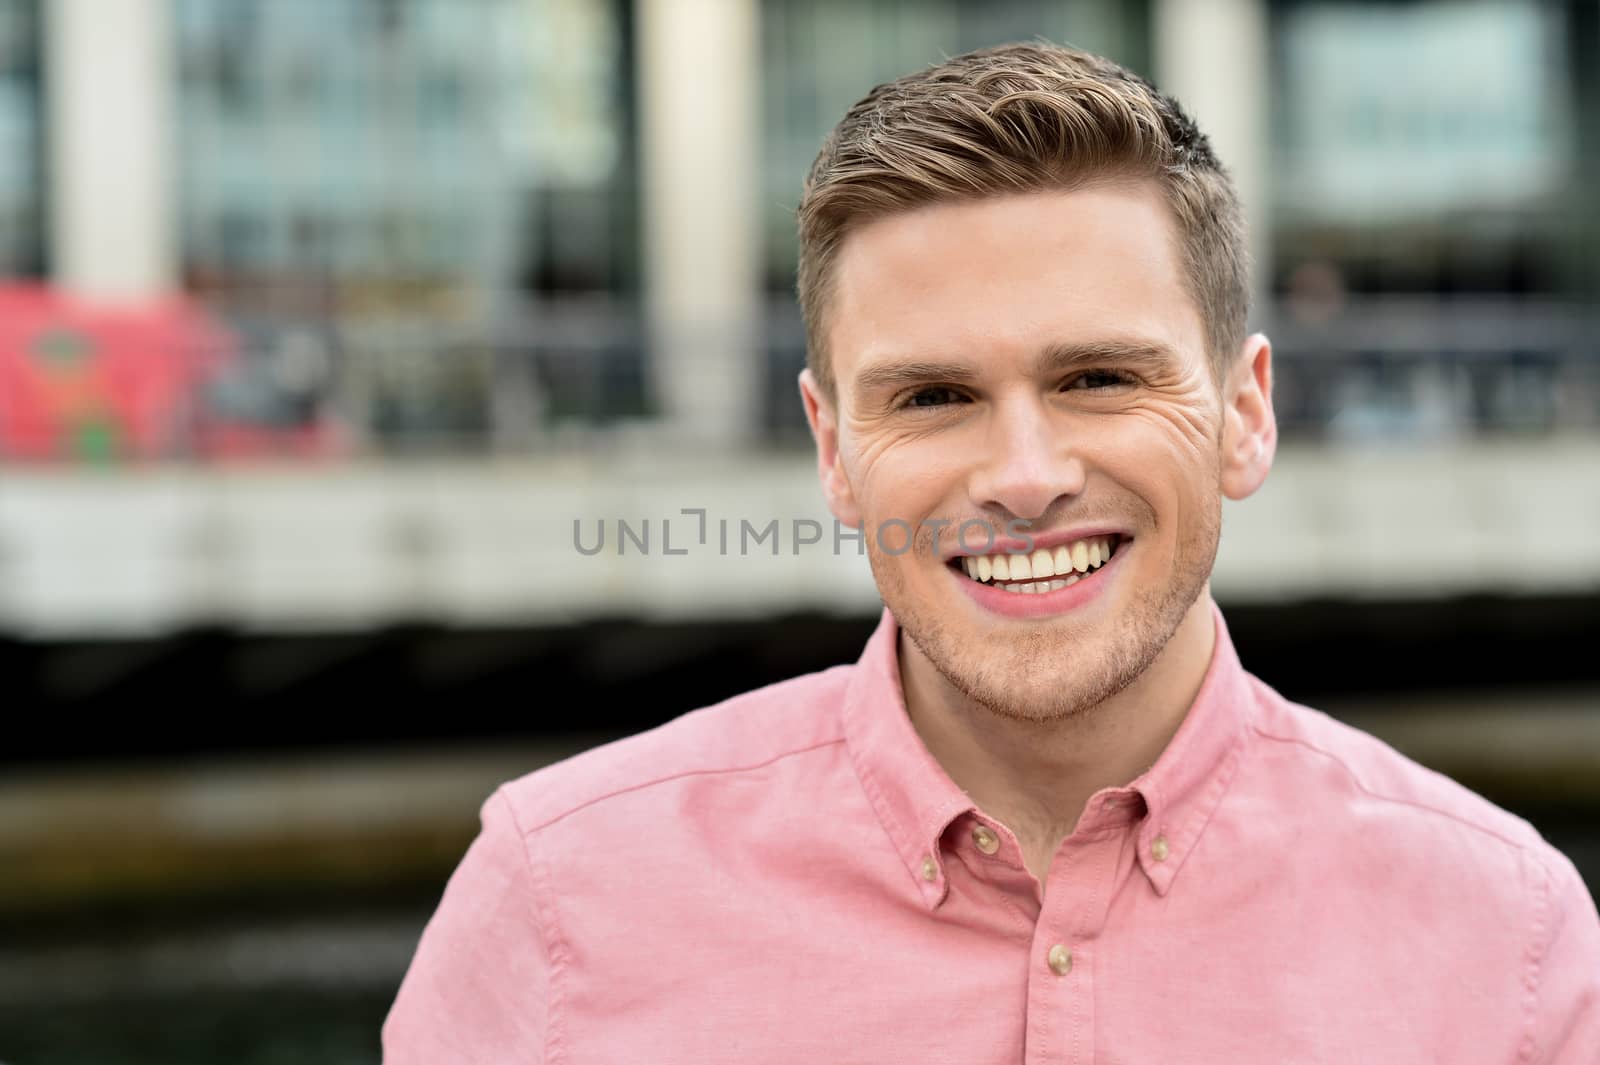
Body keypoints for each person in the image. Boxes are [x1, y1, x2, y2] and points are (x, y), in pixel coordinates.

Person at [382, 41, 1599, 1062]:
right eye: (931, 397)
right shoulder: (556, 900)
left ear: (1244, 412)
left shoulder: (1506, 937)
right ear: (832, 451)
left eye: (1098, 377)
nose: (1024, 477)